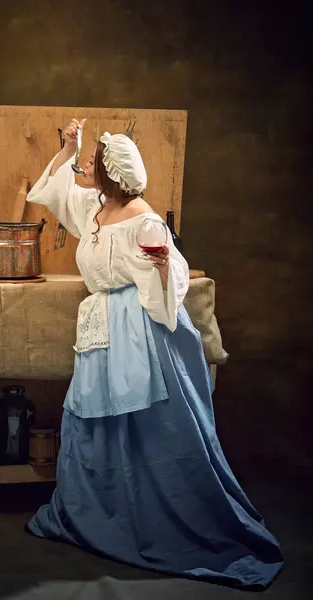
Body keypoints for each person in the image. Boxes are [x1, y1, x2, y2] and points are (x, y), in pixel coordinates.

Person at [24, 118, 283, 588]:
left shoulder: (145, 220)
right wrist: (68, 147)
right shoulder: (94, 208)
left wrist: (164, 269)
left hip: (143, 330)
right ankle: (100, 511)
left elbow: (174, 282)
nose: (86, 170)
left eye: (93, 165)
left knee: (152, 428)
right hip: (103, 328)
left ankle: (154, 517)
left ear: (109, 175)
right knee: (98, 424)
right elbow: (58, 192)